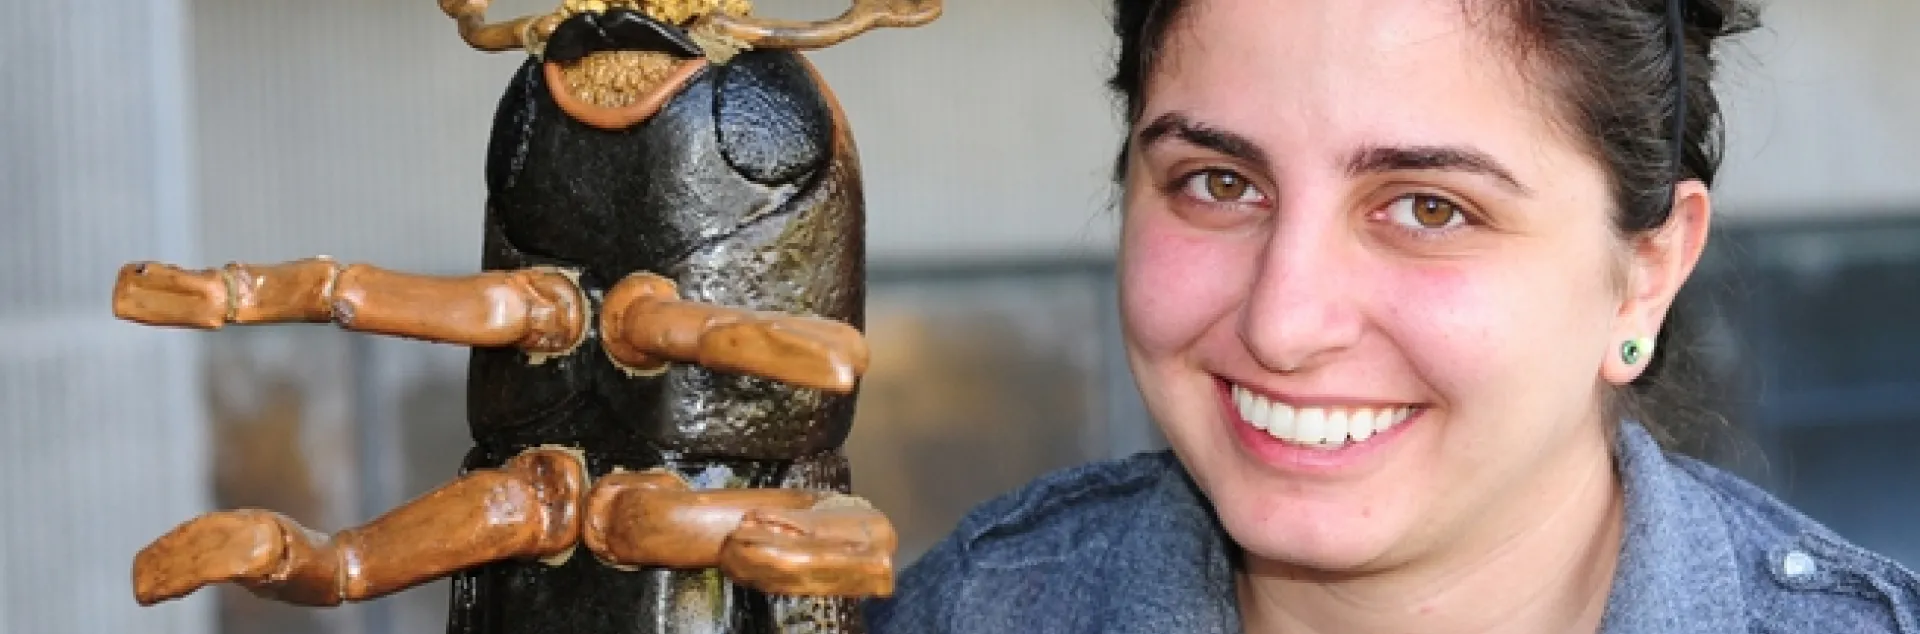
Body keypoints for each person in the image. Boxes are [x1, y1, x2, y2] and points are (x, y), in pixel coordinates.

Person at [864, 0, 1920, 632]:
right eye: (1219, 183)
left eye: (1429, 207)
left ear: (1647, 270)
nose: (1284, 322)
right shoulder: (978, 607)